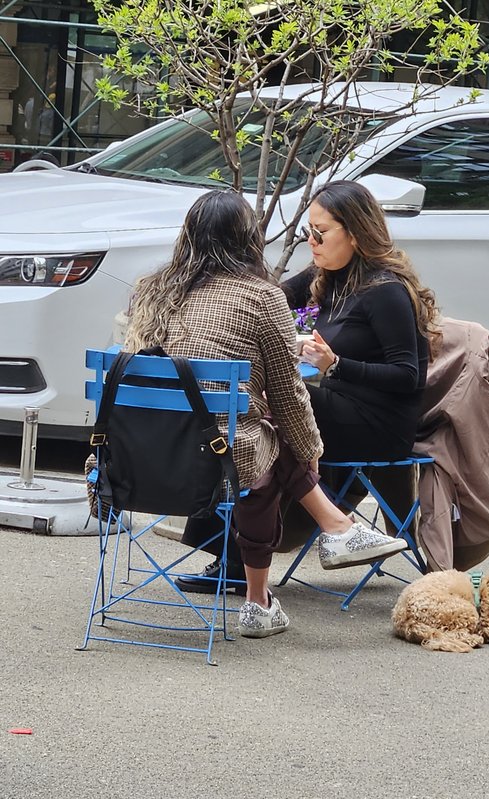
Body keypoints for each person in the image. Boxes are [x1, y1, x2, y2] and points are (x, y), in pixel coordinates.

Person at [124, 189, 407, 637]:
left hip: (136, 457)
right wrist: (310, 449)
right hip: (220, 459)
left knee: (263, 443)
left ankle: (266, 588)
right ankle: (319, 540)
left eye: (320, 232)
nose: (312, 240)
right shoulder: (261, 298)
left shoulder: (151, 291)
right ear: (248, 239)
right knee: (270, 442)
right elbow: (288, 393)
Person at [177, 179, 439, 593]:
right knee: (244, 412)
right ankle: (235, 550)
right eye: (308, 232)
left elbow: (409, 377)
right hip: (336, 405)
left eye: (320, 233)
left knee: (263, 408)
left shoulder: (385, 290)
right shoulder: (326, 273)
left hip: (378, 421)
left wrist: (337, 363)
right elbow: (268, 299)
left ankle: (233, 553)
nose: (312, 242)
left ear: (354, 233)